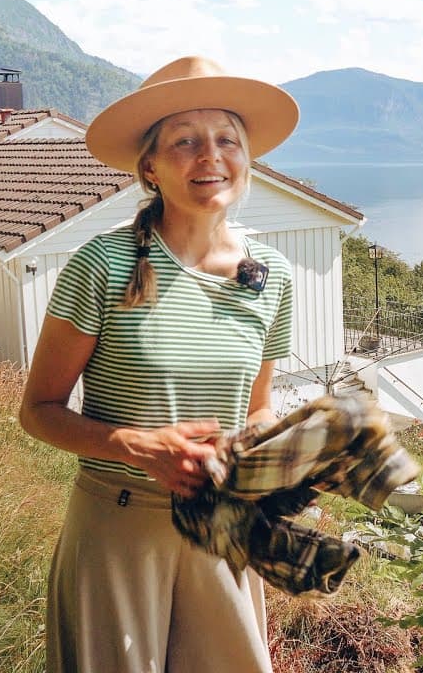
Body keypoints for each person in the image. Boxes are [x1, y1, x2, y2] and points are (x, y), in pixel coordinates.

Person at [18, 55, 301, 673]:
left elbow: (257, 407)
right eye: (186, 142)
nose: (211, 157)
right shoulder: (103, 265)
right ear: (150, 166)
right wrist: (141, 446)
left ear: (247, 155)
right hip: (118, 532)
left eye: (227, 139)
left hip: (221, 526)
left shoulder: (272, 277)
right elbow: (37, 412)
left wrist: (266, 460)